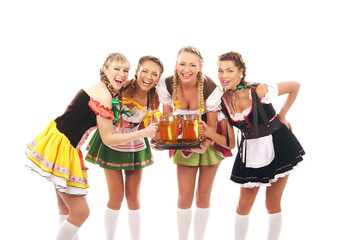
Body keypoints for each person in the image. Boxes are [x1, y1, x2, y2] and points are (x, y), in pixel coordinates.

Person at [25, 53, 158, 240]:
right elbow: (108, 139)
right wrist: (143, 133)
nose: (121, 74)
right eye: (116, 69)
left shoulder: (107, 90)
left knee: (66, 208)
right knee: (81, 213)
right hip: (62, 148)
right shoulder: (103, 96)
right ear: (105, 69)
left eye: (125, 70)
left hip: (63, 145)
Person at [201, 51, 304, 240]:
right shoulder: (222, 102)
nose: (223, 76)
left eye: (229, 70)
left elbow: (295, 87)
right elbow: (230, 144)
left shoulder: (258, 90)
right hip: (250, 151)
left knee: (272, 203)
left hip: (278, 143)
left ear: (241, 71)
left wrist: (282, 116)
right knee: (242, 206)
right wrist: (209, 134)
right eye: (220, 71)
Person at [85, 55, 164, 240]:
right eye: (144, 71)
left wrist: (156, 140)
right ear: (137, 71)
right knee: (116, 196)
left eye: (154, 74)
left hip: (135, 143)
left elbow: (145, 127)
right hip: (111, 139)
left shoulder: (156, 98)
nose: (148, 77)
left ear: (159, 78)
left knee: (133, 197)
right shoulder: (123, 86)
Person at [155, 46, 229, 240]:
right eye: (182, 64)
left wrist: (204, 145)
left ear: (200, 67)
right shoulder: (167, 85)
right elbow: (166, 118)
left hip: (209, 139)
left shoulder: (211, 89)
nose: (186, 69)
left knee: (203, 197)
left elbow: (211, 126)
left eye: (192, 65)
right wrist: (162, 141)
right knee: (184, 197)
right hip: (184, 139)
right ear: (176, 65)